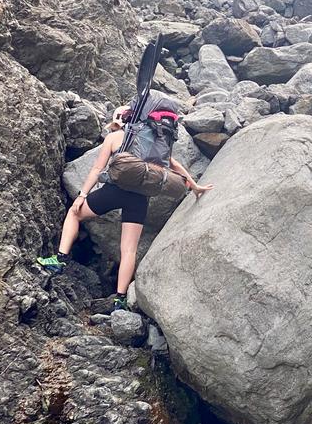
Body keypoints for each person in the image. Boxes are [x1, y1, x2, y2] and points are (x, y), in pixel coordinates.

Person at [37, 107, 213, 312]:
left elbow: (97, 169)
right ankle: (119, 299)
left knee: (74, 214)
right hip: (140, 199)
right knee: (129, 250)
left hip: (114, 191)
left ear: (121, 120)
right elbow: (175, 166)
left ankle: (60, 259)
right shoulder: (155, 142)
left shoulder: (115, 137)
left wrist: (82, 195)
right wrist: (195, 187)